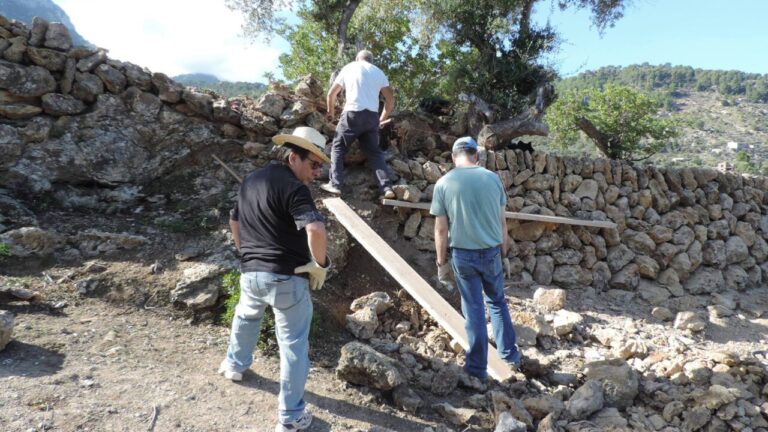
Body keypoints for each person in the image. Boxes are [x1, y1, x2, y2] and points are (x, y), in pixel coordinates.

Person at [218, 126, 331, 432]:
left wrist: (247, 255)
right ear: (294, 157)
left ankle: (234, 365)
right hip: (285, 277)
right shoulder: (295, 188)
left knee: (246, 315)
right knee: (293, 343)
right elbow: (316, 229)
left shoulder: (250, 181)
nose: (317, 173)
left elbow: (234, 220)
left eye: (320, 166)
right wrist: (319, 264)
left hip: (251, 273)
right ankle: (291, 416)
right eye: (314, 164)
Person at [430, 136, 521, 382]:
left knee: (473, 309)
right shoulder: (492, 179)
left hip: (463, 256)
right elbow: (503, 223)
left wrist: (441, 263)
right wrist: (504, 254)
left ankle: (477, 369)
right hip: (492, 252)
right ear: (476, 155)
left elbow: (440, 230)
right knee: (498, 302)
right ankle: (510, 357)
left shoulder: (444, 183)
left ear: (453, 157)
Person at [322, 49, 396, 199]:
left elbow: (331, 94)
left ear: (358, 58)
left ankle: (335, 184)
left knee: (338, 147)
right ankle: (386, 188)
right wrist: (382, 118)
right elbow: (390, 99)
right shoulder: (378, 72)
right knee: (375, 153)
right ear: (371, 60)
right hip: (371, 117)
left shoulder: (349, 67)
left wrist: (331, 113)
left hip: (352, 113)